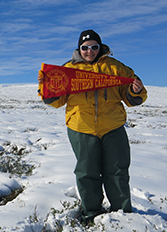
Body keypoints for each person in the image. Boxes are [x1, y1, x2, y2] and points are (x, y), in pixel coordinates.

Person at [38, 29, 147, 224]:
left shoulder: (116, 67)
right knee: (86, 172)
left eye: (94, 47)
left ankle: (122, 214)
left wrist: (135, 90)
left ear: (100, 47)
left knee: (117, 171)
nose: (90, 51)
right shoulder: (68, 69)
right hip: (81, 128)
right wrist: (47, 87)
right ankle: (91, 213)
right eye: (85, 48)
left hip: (113, 127)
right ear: (79, 48)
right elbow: (56, 100)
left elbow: (132, 96)